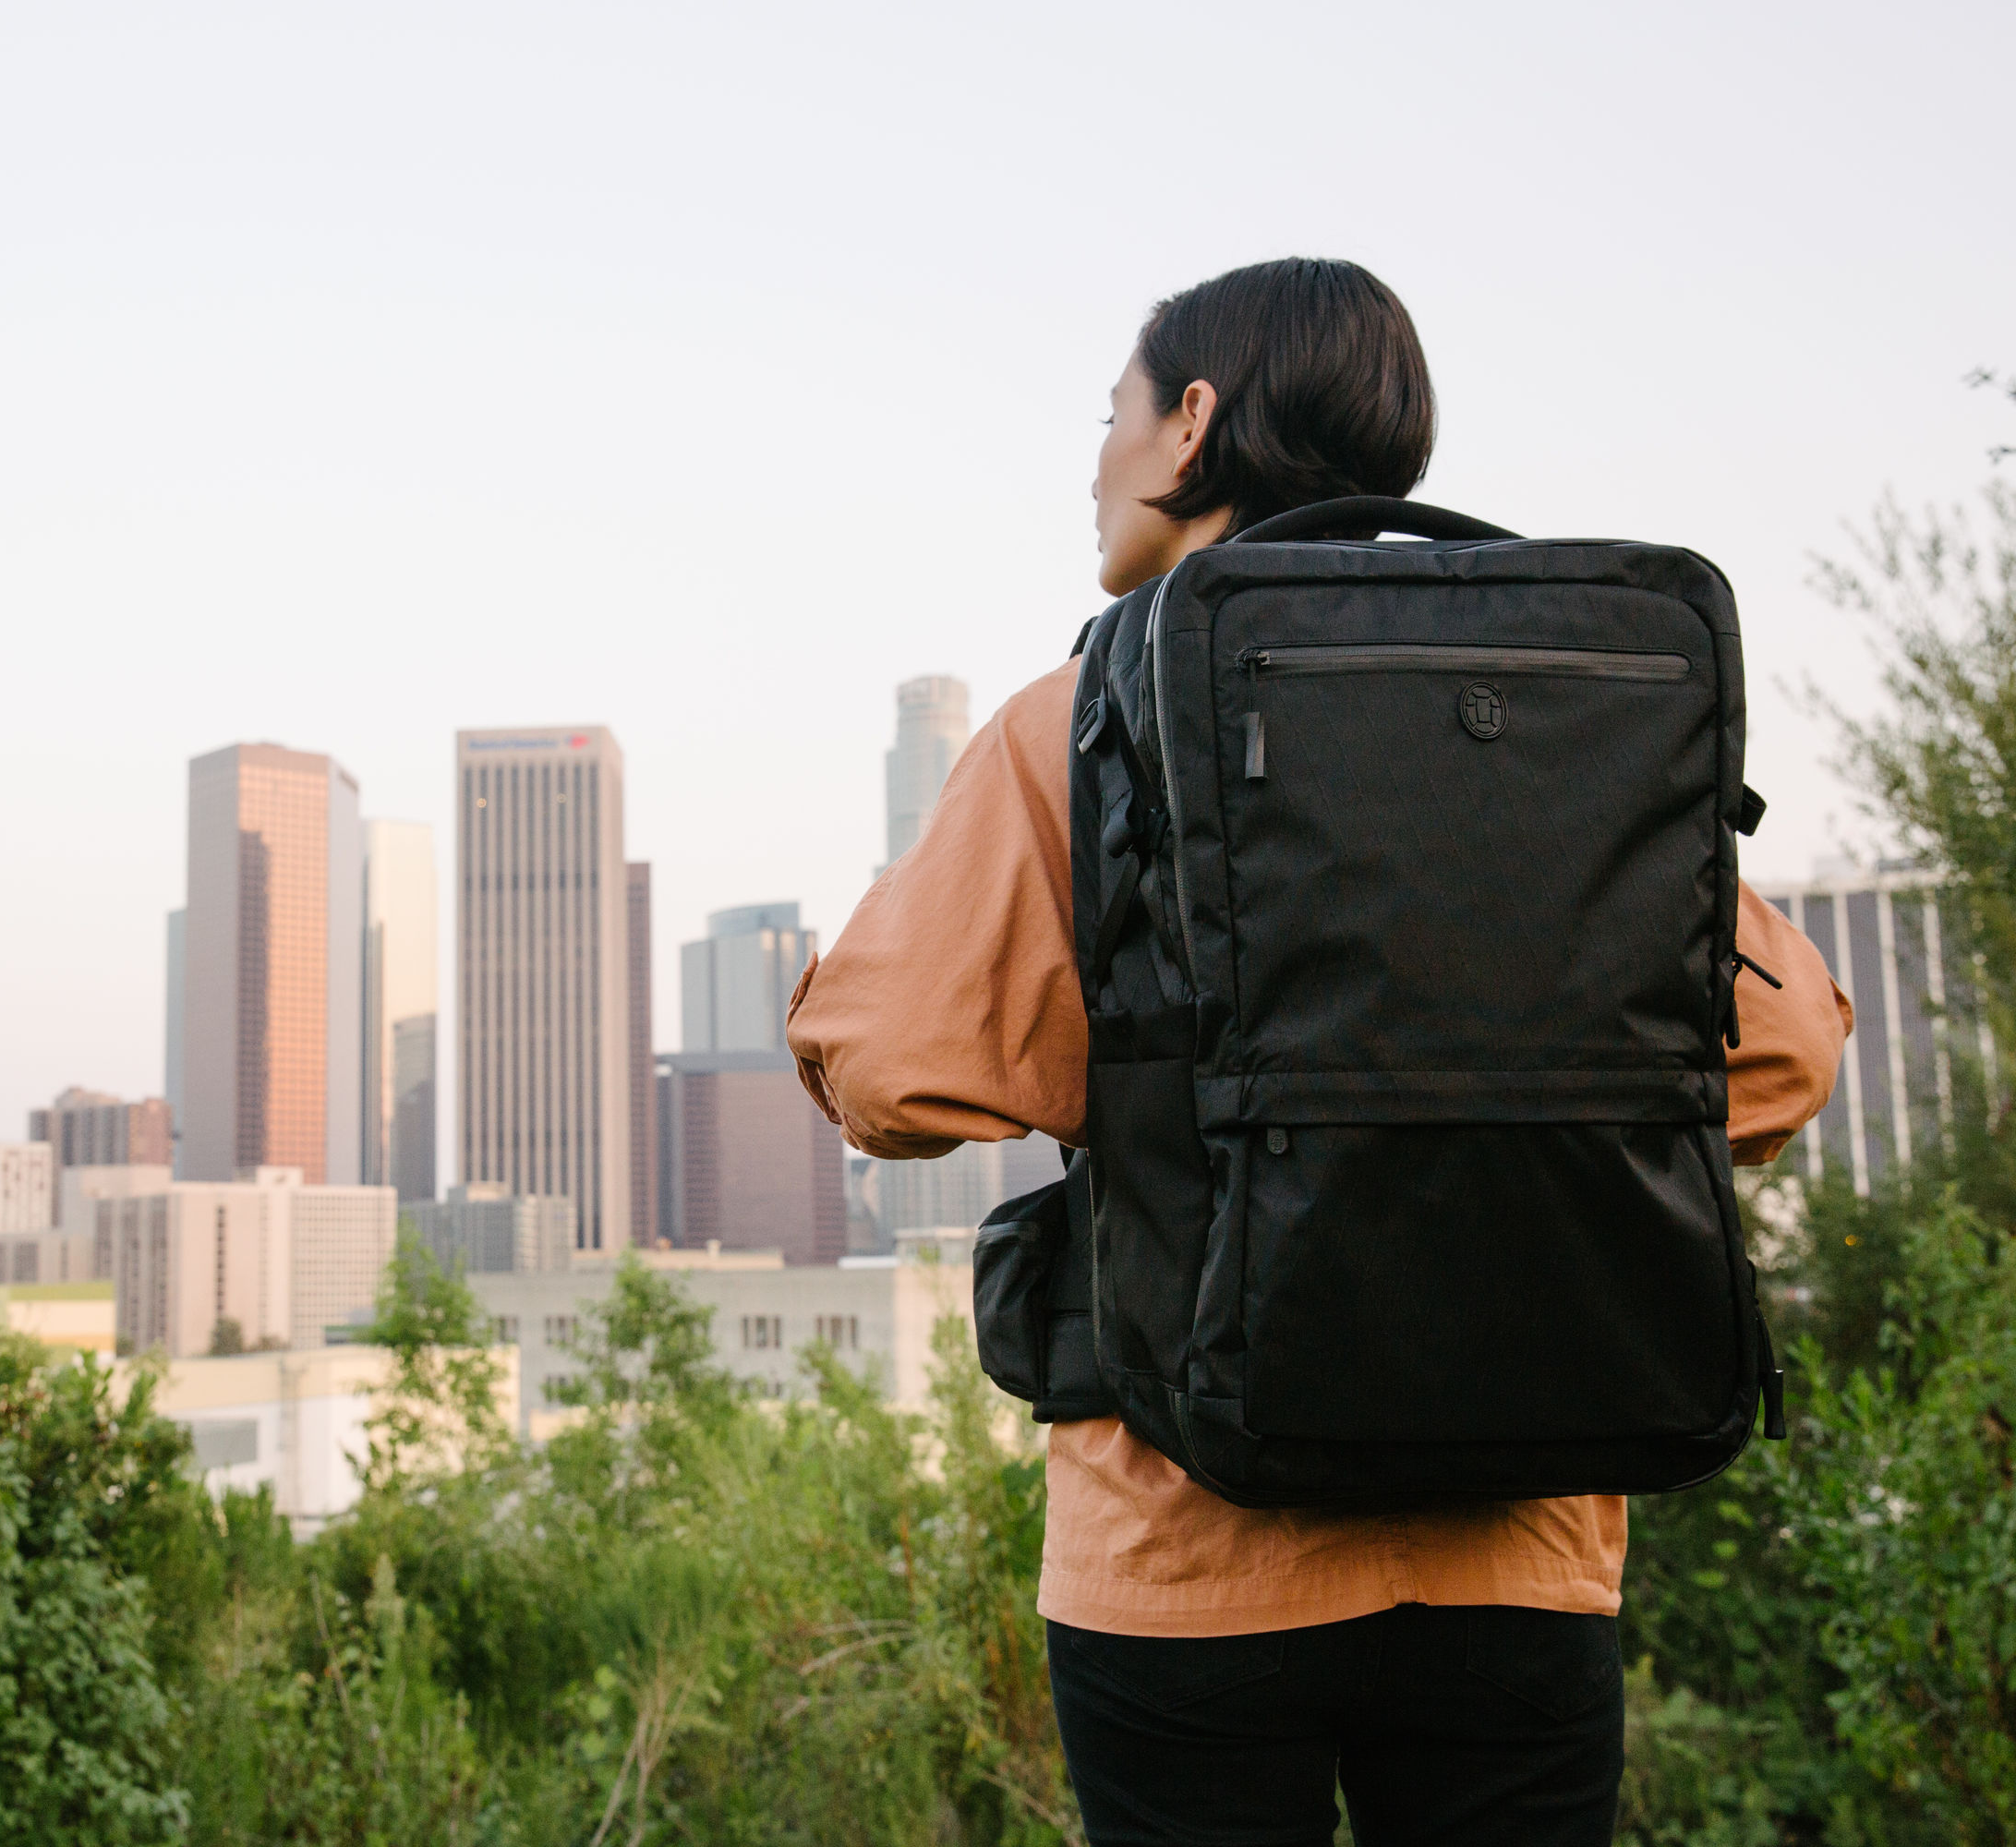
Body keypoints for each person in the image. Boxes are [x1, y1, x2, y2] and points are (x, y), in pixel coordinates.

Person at [786, 258, 1853, 1845]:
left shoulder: (1075, 716)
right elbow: (1783, 1057)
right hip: (1525, 1543)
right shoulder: (1570, 703)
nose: (1096, 460)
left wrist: (1174, 1089)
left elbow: (887, 1070)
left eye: (1113, 415)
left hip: (1186, 1544)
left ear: (1191, 425)